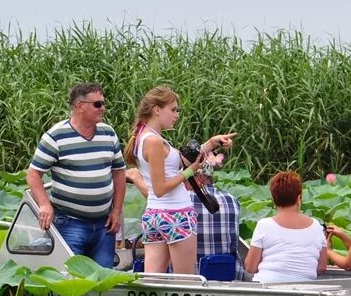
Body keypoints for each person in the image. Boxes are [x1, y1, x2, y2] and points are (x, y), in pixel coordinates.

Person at [122, 85, 236, 275]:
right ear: (157, 110)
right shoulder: (155, 141)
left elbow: (175, 164)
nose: (177, 115)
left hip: (154, 215)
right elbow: (160, 188)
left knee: (153, 282)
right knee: (185, 283)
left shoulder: (145, 137)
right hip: (176, 214)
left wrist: (210, 144)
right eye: (173, 110)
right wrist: (190, 172)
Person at [26, 82, 126, 268]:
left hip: (104, 224)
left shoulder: (108, 134)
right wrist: (44, 205)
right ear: (79, 106)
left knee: (103, 280)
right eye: (97, 104)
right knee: (70, 278)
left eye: (103, 103)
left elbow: (119, 172)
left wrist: (117, 210)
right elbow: (33, 174)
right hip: (70, 223)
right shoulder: (55, 136)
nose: (103, 108)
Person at [127, 155, 243, 278]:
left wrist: (136, 178)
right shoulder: (231, 200)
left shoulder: (182, 202)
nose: (177, 183)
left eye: (184, 179)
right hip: (225, 277)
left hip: (186, 279)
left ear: (199, 179)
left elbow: (157, 196)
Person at [244, 171, 327, 283]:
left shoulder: (264, 225)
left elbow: (250, 267)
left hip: (266, 287)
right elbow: (321, 267)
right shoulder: (317, 226)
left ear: (274, 200)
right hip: (305, 290)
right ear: (298, 198)